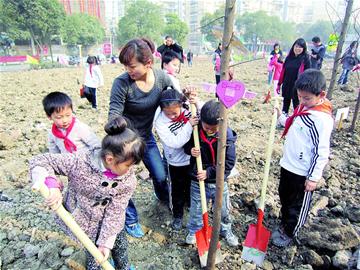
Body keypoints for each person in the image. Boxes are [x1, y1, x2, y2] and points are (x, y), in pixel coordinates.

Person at [29, 116, 145, 270]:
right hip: (84, 223)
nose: (131, 170)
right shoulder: (80, 163)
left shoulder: (127, 180)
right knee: (95, 259)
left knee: (120, 246)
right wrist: (52, 185)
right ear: (110, 159)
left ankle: (123, 267)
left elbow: (116, 212)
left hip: (111, 223)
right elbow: (40, 160)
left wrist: (105, 243)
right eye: (128, 165)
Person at [109, 37, 196, 238]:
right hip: (125, 140)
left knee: (160, 175)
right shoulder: (122, 83)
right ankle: (130, 220)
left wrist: (187, 93)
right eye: (125, 66)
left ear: (148, 64)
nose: (128, 70)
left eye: (131, 66)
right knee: (121, 182)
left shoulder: (161, 78)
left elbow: (176, 96)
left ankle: (164, 196)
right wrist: (115, 122)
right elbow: (114, 110)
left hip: (146, 137)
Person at [273, 69, 333, 247]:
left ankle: (291, 231)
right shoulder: (304, 108)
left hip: (302, 171)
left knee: (296, 205)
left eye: (306, 98)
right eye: (299, 97)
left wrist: (313, 178)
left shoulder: (321, 120)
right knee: (284, 196)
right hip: (288, 164)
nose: (302, 101)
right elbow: (294, 122)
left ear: (321, 95)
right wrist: (280, 117)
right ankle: (284, 223)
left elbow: (321, 151)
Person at [183, 100, 239, 247]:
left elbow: (228, 164)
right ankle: (195, 230)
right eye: (206, 127)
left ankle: (225, 230)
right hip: (198, 181)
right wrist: (190, 150)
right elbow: (185, 146)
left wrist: (209, 173)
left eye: (213, 129)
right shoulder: (196, 132)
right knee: (196, 209)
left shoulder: (227, 138)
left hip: (219, 182)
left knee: (223, 209)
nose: (208, 131)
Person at [154, 88, 198, 230]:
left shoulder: (187, 109)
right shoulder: (161, 122)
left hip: (193, 158)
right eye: (168, 113)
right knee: (177, 190)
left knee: (191, 186)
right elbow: (175, 143)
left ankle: (191, 206)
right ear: (162, 110)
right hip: (176, 162)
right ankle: (177, 215)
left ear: (181, 105)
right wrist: (188, 125)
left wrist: (196, 102)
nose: (172, 116)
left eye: (175, 112)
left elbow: (204, 113)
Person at [277, 38, 310, 115]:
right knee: (285, 103)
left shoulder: (305, 59)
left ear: (303, 48)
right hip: (287, 84)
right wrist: (279, 84)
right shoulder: (289, 58)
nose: (297, 49)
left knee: (296, 104)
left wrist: (304, 87)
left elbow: (308, 74)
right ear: (293, 47)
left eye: (300, 47)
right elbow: (283, 71)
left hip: (297, 86)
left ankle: (297, 120)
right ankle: (283, 119)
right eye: (296, 46)